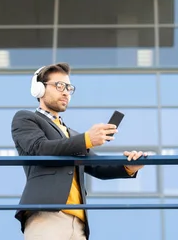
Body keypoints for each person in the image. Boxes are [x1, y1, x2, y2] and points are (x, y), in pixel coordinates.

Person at [11, 62, 148, 240]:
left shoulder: (72, 135)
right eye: (59, 85)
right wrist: (87, 139)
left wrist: (129, 167)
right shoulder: (26, 118)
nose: (66, 91)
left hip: (79, 223)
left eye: (69, 87)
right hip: (46, 216)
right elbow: (39, 149)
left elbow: (97, 167)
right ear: (39, 89)